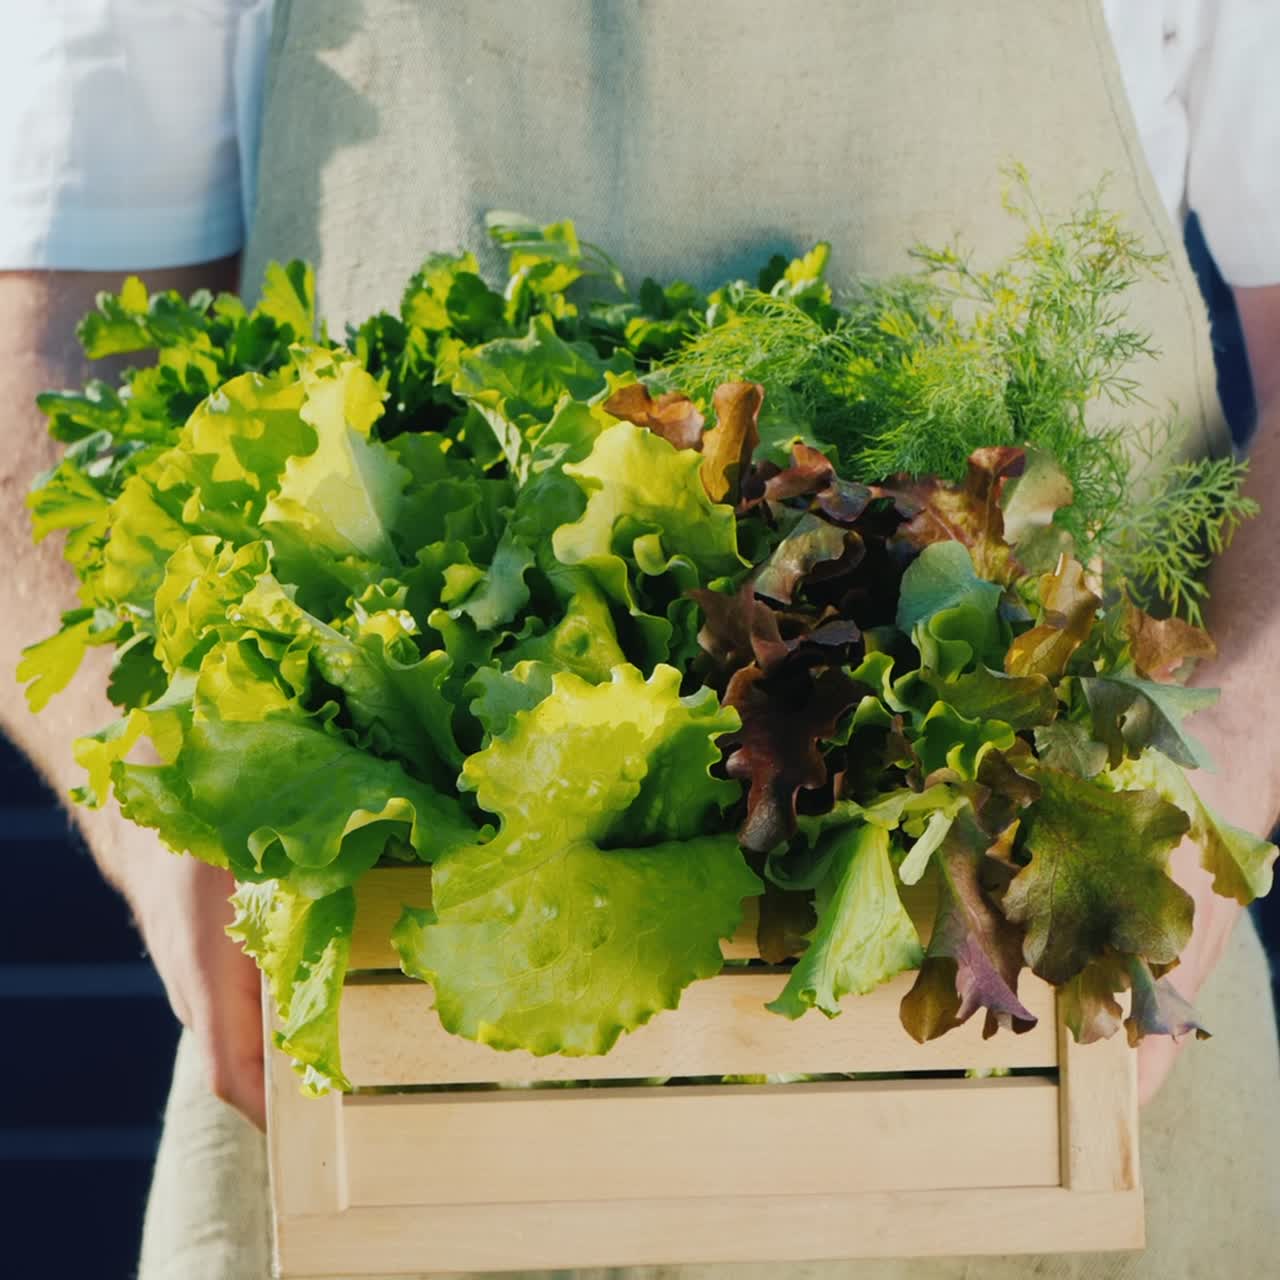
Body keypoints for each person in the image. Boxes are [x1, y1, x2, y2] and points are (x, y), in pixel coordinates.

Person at [1, 2, 1277, 1278]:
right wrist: (170, 834)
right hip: (385, 1113)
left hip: (1054, 1062)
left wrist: (1211, 765)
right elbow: (46, 351)